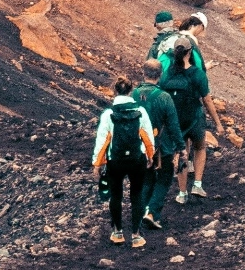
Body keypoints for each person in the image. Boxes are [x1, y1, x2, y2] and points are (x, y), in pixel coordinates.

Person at [92, 78, 156, 248]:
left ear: (115, 91)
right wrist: (151, 157)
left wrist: (97, 163)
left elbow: (102, 140)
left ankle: (117, 232)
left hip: (116, 160)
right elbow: (148, 137)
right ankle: (136, 235)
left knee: (116, 195)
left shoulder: (108, 114)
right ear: (130, 91)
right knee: (136, 195)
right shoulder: (141, 111)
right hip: (137, 160)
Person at [159, 34, 216, 204]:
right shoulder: (197, 73)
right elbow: (206, 99)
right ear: (190, 53)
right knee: (199, 148)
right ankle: (197, 184)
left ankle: (182, 193)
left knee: (182, 153)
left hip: (176, 121)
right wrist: (218, 123)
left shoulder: (166, 75)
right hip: (195, 117)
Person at [131, 72, 184, 232]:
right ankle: (152, 213)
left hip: (138, 145)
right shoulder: (165, 97)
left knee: (147, 180)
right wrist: (181, 147)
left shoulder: (133, 94)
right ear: (160, 75)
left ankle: (140, 213)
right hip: (161, 146)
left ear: (143, 73)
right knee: (164, 179)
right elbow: (173, 125)